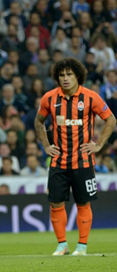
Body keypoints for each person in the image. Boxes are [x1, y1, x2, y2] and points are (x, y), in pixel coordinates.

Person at [34, 58, 116, 256]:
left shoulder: (90, 97)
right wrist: (46, 145)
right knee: (56, 203)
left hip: (83, 160)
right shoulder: (50, 98)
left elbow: (111, 119)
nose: (65, 79)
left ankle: (82, 246)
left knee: (83, 203)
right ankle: (62, 244)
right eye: (61, 75)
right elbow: (38, 121)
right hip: (58, 160)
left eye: (69, 74)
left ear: (77, 75)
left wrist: (99, 145)